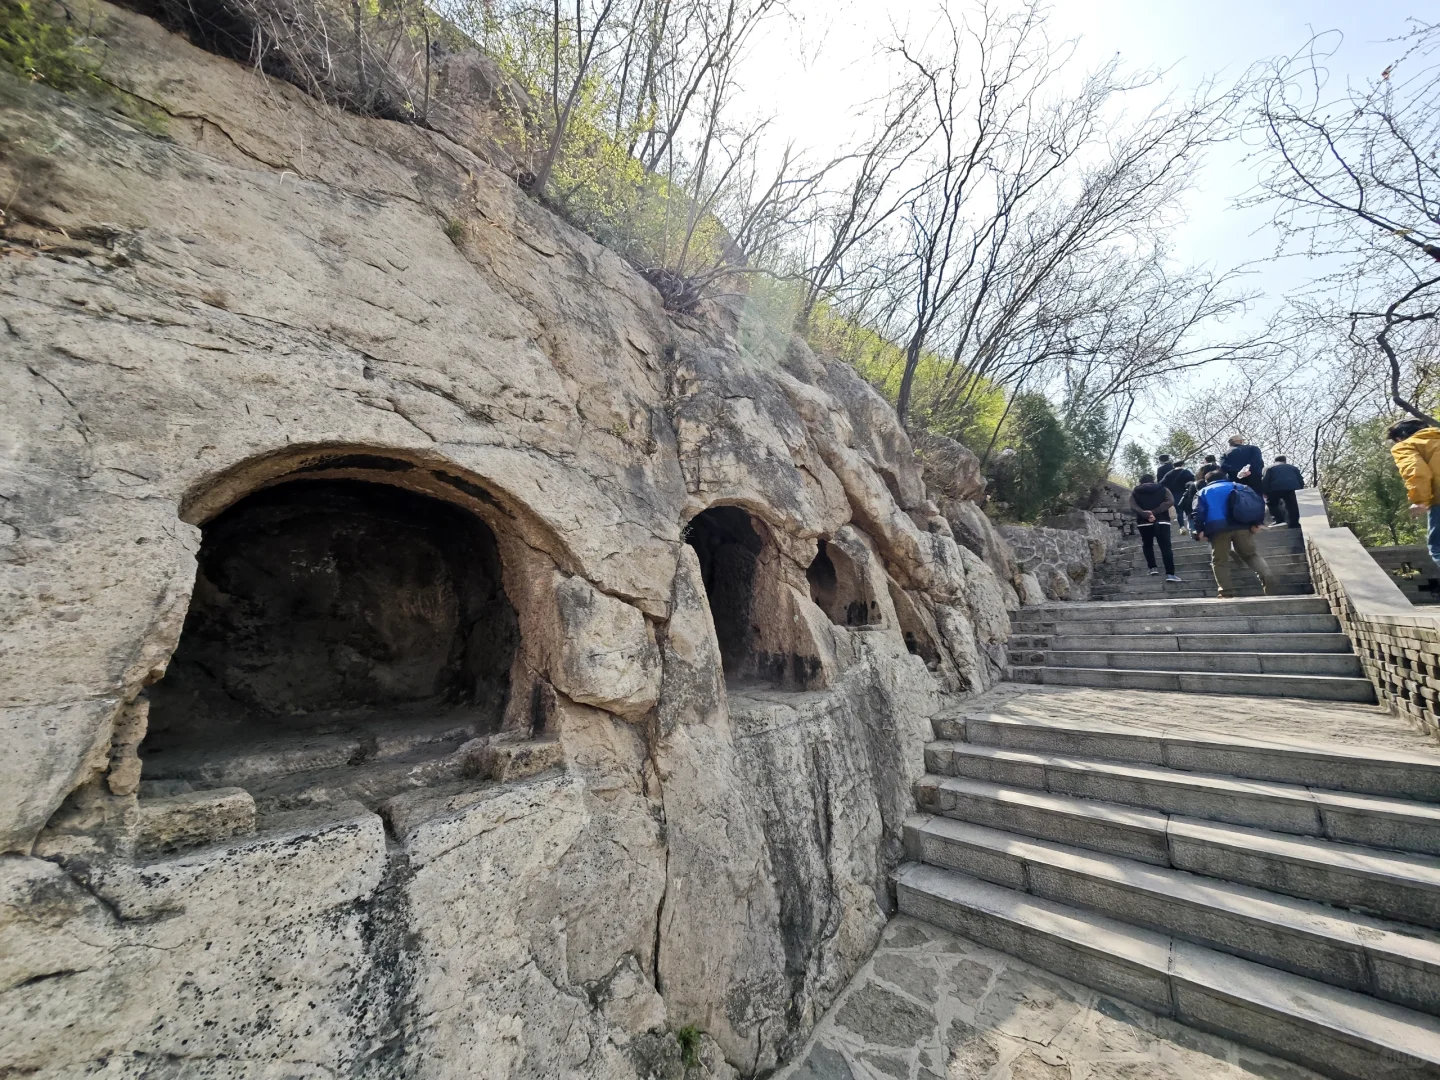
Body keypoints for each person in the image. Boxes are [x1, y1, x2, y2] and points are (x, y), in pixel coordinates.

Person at [1192, 473, 1277, 598]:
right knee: (1250, 555)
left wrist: (1199, 530)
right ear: (1225, 477)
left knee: (1220, 560)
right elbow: (1257, 503)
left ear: (1206, 481)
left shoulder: (1202, 492)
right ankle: (1267, 575)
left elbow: (1198, 512)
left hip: (1217, 528)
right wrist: (1257, 522)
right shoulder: (1240, 486)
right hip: (1242, 525)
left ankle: (1225, 591)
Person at [1388, 418, 1440, 566]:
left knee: (1438, 548)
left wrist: (1420, 501)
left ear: (1399, 438)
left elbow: (1417, 471)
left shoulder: (1405, 445)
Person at [1129, 473, 1181, 581]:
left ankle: (1153, 568)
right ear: (1153, 481)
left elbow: (1133, 506)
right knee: (1165, 547)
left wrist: (1145, 514)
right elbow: (1170, 501)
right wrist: (1155, 512)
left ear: (1141, 482)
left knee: (1147, 545)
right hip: (1162, 521)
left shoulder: (1135, 491)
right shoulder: (1163, 489)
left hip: (1144, 522)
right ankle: (1170, 574)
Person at [1262, 454, 1304, 529]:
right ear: (1285, 461)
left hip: (1275, 488)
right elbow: (1300, 480)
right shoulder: (1293, 468)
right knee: (1292, 506)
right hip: (1292, 487)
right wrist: (1300, 490)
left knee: (1272, 503)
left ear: (1275, 461)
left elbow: (1265, 481)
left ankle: (1279, 520)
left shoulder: (1268, 468)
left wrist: (1264, 492)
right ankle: (1294, 523)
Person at [1162, 460, 1195, 531]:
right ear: (1182, 464)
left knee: (1179, 512)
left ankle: (1182, 527)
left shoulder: (1169, 474)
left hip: (1175, 495)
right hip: (1187, 494)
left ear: (1174, 466)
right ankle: (1192, 528)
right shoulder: (1187, 472)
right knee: (1189, 511)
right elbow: (1193, 481)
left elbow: (1162, 483)